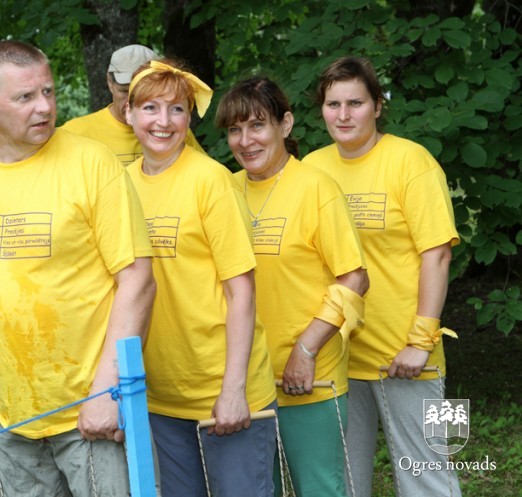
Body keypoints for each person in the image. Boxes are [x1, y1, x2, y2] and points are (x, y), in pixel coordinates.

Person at [0, 40, 157, 497]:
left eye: (48, 92)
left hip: (90, 410)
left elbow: (137, 278)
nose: (44, 107)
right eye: (25, 97)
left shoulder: (93, 163)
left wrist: (107, 389)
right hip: (1, 413)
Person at [304, 56, 461, 497]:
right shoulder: (311, 167)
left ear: (377, 105)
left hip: (407, 357)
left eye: (355, 103)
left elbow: (438, 255)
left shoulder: (412, 161)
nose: (343, 114)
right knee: (343, 482)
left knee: (428, 476)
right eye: (333, 104)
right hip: (337, 357)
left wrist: (421, 340)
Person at [125, 59, 278, 497]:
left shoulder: (211, 181)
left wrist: (233, 390)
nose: (163, 121)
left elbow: (241, 291)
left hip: (223, 391)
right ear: (129, 114)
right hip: (158, 394)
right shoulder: (119, 185)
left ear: (189, 118)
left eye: (177, 109)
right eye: (150, 108)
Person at [215, 77, 369, 497]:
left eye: (257, 125)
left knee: (318, 489)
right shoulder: (224, 189)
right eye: (234, 129)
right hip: (245, 380)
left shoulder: (316, 187)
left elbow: (355, 277)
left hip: (308, 379)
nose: (245, 140)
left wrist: (306, 349)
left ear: (285, 124)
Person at [62, 44, 204, 165]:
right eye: (125, 91)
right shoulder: (76, 133)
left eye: (145, 95)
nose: (132, 101)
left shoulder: (173, 132)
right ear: (110, 82)